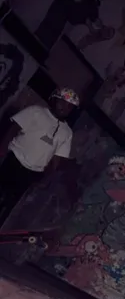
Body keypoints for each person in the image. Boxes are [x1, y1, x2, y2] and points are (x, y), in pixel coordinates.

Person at [0, 87, 79, 224]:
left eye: (70, 106)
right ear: (54, 100)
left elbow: (57, 159)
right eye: (62, 102)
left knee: (9, 205)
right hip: (14, 160)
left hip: (31, 173)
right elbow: (13, 129)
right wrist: (1, 151)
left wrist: (45, 179)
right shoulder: (36, 111)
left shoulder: (67, 132)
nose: (65, 108)